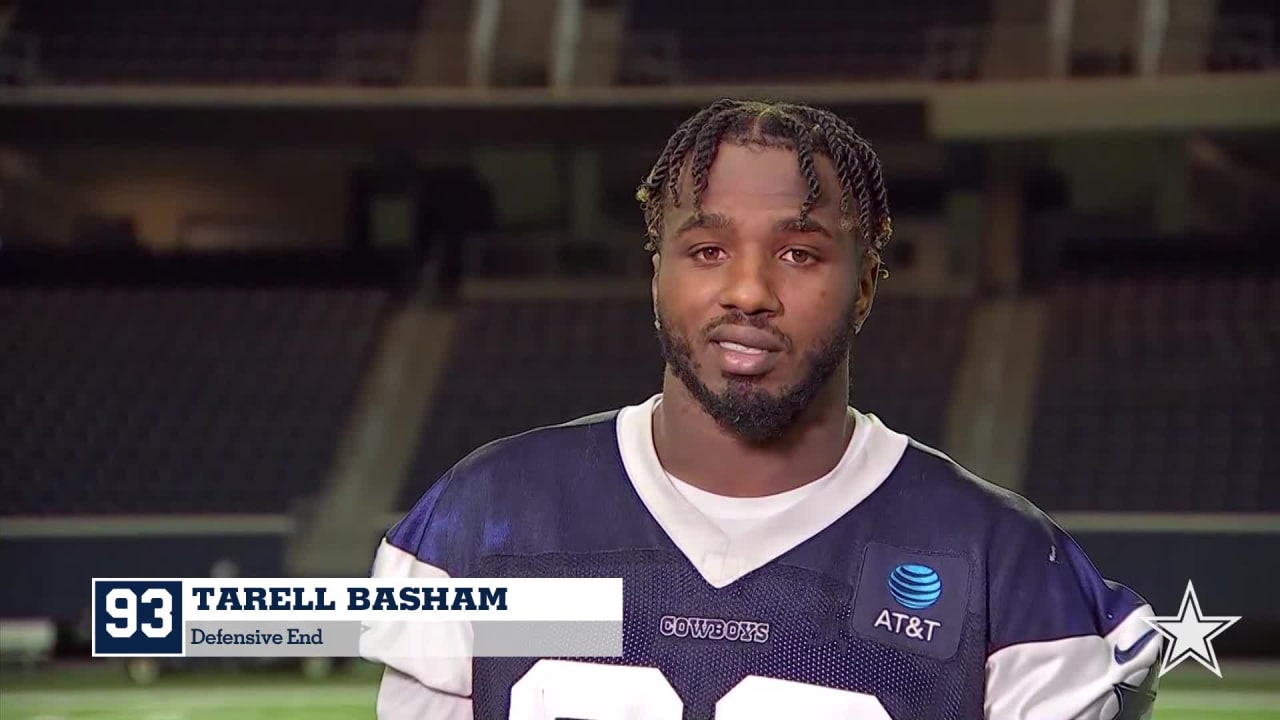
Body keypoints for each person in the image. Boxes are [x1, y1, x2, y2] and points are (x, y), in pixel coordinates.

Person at [365, 98, 1162, 719]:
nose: (748, 291)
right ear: (657, 274)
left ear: (865, 286)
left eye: (800, 253)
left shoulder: (1013, 575)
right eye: (707, 250)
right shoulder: (483, 520)